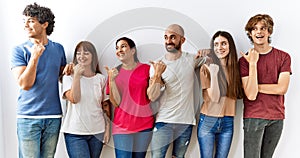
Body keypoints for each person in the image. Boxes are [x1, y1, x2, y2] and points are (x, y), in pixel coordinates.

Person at [10, 3, 67, 158]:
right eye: (25, 21)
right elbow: (24, 84)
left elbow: (60, 76)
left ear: (44, 24)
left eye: (31, 21)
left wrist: (68, 70)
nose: (26, 25)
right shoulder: (19, 50)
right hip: (28, 117)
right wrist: (35, 57)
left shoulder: (58, 49)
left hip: (53, 117)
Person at [147, 24, 206, 158]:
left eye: (173, 37)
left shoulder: (191, 59)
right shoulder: (157, 64)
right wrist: (157, 75)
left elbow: (213, 58)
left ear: (182, 40)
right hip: (163, 122)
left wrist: (207, 51)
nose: (168, 41)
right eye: (166, 37)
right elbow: (152, 96)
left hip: (185, 123)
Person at [239, 14, 291, 158]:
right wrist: (253, 63)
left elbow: (282, 88)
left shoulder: (283, 57)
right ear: (250, 33)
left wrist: (255, 86)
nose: (259, 32)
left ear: (269, 31)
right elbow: (250, 95)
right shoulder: (244, 61)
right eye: (254, 29)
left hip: (277, 117)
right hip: (254, 117)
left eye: (263, 28)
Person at [105, 37, 154, 158]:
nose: (119, 50)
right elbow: (115, 103)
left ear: (133, 51)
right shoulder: (113, 73)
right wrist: (111, 80)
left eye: (123, 46)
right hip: (122, 127)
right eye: (117, 48)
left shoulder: (147, 69)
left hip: (144, 126)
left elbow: (153, 95)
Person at [197, 31, 243, 158]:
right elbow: (215, 97)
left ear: (230, 46)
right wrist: (214, 73)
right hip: (208, 120)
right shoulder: (206, 67)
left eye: (223, 44)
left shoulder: (235, 69)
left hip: (228, 121)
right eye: (216, 44)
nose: (220, 47)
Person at [61, 41, 110, 158]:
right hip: (75, 132)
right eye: (78, 53)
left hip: (97, 131)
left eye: (86, 53)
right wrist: (77, 76)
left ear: (93, 56)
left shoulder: (101, 79)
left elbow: (105, 105)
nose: (82, 56)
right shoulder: (68, 77)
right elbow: (74, 98)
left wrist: (107, 128)